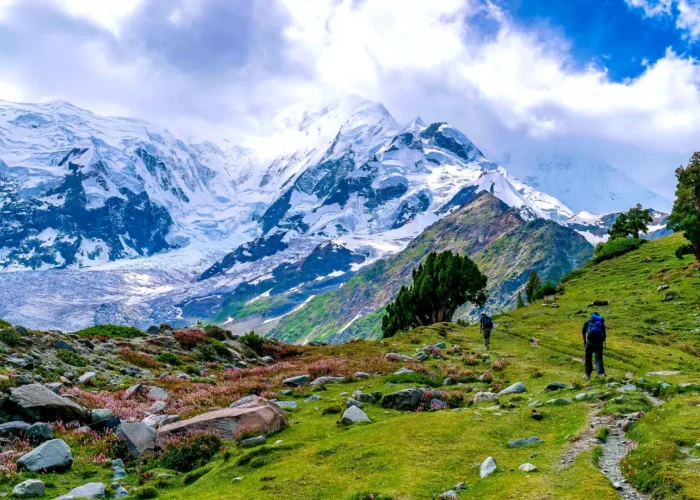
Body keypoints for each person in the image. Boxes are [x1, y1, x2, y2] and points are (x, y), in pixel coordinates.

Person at [582, 312, 606, 380]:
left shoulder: (588, 322)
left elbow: (583, 332)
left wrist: (584, 342)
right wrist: (602, 342)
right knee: (598, 358)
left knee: (588, 357)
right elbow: (604, 336)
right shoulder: (601, 324)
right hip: (599, 343)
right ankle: (601, 374)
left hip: (590, 342)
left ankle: (588, 375)